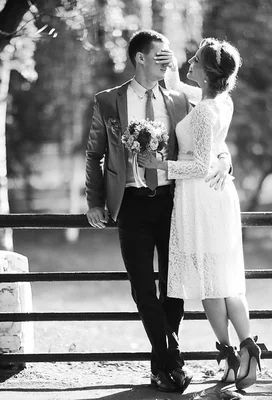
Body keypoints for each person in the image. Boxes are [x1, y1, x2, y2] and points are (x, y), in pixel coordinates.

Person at [84, 30, 232, 393]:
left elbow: (214, 137)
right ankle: (173, 359)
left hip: (172, 202)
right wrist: (94, 201)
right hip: (130, 203)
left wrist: (226, 161)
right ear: (140, 58)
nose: (168, 59)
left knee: (174, 287)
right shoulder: (108, 101)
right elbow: (94, 154)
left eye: (171, 56)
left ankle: (162, 368)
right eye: (161, 55)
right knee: (142, 288)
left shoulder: (182, 99)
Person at [139, 38, 262, 390]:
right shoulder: (218, 101)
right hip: (212, 195)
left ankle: (232, 353)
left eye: (194, 59)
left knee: (211, 280)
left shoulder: (206, 110)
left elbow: (197, 165)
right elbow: (179, 88)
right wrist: (171, 64)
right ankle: (240, 350)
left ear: (207, 73)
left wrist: (160, 164)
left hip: (202, 197)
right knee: (222, 279)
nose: (188, 62)